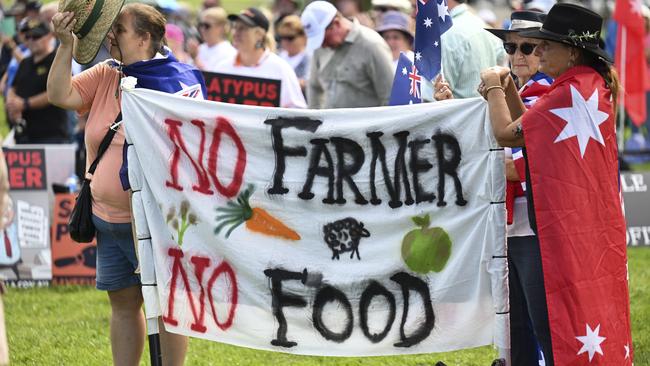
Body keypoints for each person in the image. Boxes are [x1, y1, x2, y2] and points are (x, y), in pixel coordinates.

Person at [47, 2, 206, 365]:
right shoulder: (106, 73)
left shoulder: (180, 82)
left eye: (118, 28)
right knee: (122, 304)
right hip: (108, 220)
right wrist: (65, 47)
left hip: (155, 223)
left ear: (145, 37)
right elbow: (60, 94)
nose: (109, 36)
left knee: (166, 307)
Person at [479, 4, 626, 364]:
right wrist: (511, 90)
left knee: (548, 325)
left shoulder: (565, 93)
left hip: (554, 229)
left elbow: (507, 135)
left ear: (572, 51)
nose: (539, 51)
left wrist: (494, 85)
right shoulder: (586, 87)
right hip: (580, 226)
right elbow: (531, 125)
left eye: (545, 45)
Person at [485, 10, 554, 366]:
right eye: (511, 48)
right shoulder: (519, 92)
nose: (518, 56)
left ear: (547, 50)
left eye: (528, 47)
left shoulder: (550, 94)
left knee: (541, 322)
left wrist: (478, 165)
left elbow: (515, 164)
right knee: (515, 325)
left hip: (535, 224)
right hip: (509, 223)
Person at [301, 1, 393, 108]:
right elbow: (314, 87)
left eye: (324, 39)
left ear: (336, 24)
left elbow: (389, 96)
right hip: (331, 123)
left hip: (366, 124)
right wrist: (315, 120)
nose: (323, 46)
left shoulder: (372, 45)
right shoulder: (320, 48)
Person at [213, 7, 306, 108]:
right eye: (235, 27)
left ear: (259, 35)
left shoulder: (280, 69)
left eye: (243, 28)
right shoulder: (222, 68)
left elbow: (297, 110)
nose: (236, 33)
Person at [7, 18, 68, 143]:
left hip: (51, 133)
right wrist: (12, 105)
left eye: (36, 36)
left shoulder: (56, 60)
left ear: (50, 36)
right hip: (24, 134)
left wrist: (25, 104)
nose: (31, 40)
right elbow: (13, 88)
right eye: (28, 37)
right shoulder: (25, 62)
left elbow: (58, 93)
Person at [438, 0, 505, 99]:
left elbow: (433, 97)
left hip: (460, 113)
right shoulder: (484, 26)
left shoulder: (447, 33)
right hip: (488, 111)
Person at [190, 7, 235, 71]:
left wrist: (195, 59)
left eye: (207, 26)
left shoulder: (229, 52)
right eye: (201, 25)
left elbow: (213, 79)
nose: (202, 29)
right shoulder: (200, 48)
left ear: (220, 27)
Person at [276, 15, 309, 93]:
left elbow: (308, 83)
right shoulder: (277, 57)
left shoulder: (310, 59)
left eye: (290, 38)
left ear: (303, 37)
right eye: (282, 37)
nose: (285, 42)